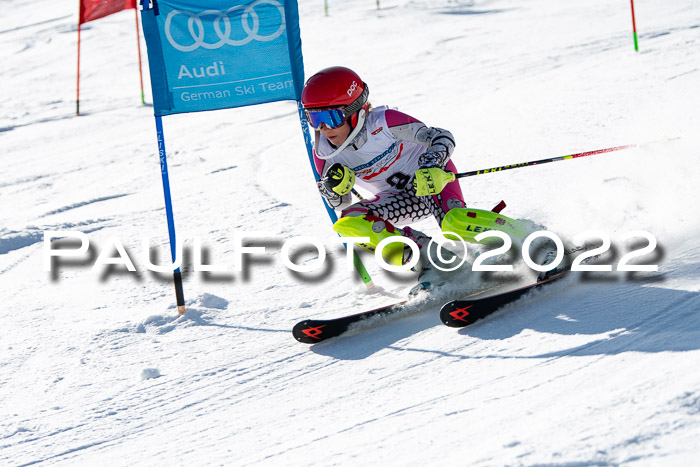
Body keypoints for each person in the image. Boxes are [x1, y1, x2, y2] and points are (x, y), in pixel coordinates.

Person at [301, 66, 565, 288]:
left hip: (431, 180)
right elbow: (338, 204)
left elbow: (441, 136)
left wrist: (431, 165)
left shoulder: (384, 122)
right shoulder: (325, 152)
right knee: (349, 225)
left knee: (454, 223)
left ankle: (536, 242)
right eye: (314, 119)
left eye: (331, 117)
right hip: (398, 198)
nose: (323, 128)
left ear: (356, 110)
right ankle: (436, 264)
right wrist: (334, 188)